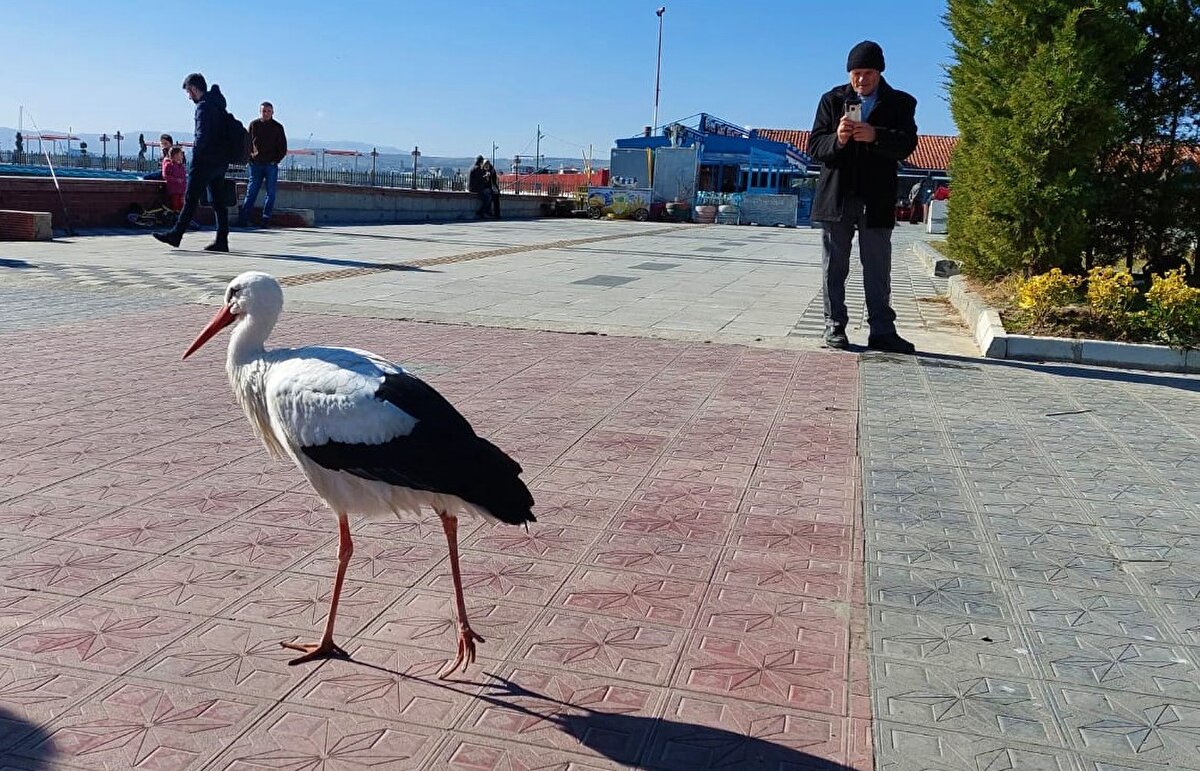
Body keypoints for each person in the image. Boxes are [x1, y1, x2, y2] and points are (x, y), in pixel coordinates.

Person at [807, 40, 918, 354]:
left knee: (877, 267)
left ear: (880, 72)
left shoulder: (901, 103)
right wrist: (838, 139)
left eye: (868, 73)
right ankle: (834, 327)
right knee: (834, 267)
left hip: (876, 198)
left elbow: (908, 143)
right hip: (837, 197)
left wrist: (876, 136)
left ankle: (882, 330)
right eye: (856, 73)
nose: (861, 80)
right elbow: (815, 146)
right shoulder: (832, 100)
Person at [153, 73, 232, 252]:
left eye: (189, 92)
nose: (189, 97)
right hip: (220, 161)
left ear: (195, 89)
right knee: (219, 202)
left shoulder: (203, 108)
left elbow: (201, 136)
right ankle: (222, 240)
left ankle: (176, 235)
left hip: (205, 161)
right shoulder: (219, 105)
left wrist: (196, 156)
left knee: (190, 199)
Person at [237, 101, 288, 228]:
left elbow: (282, 147)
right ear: (260, 112)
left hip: (270, 164)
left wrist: (276, 160)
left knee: (271, 192)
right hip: (256, 164)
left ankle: (265, 218)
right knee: (251, 191)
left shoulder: (278, 127)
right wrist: (250, 158)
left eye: (268, 111)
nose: (266, 113)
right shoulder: (254, 125)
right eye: (264, 111)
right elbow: (247, 143)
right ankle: (244, 218)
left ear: (272, 112)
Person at [163, 146, 187, 212]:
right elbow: (166, 176)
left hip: (182, 191)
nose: (182, 156)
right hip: (174, 190)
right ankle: (175, 218)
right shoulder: (169, 165)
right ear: (175, 155)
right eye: (180, 154)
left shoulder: (181, 166)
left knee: (182, 206)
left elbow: (184, 179)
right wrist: (176, 180)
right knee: (175, 205)